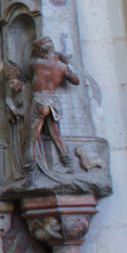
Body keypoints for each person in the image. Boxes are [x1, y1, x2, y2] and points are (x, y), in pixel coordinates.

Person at [27, 36, 79, 170]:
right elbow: (76, 81)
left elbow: (29, 62)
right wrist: (63, 60)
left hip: (39, 100)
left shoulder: (38, 63)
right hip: (53, 102)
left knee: (32, 139)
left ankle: (28, 169)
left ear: (41, 51)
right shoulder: (62, 67)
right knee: (57, 136)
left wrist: (36, 50)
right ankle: (69, 164)